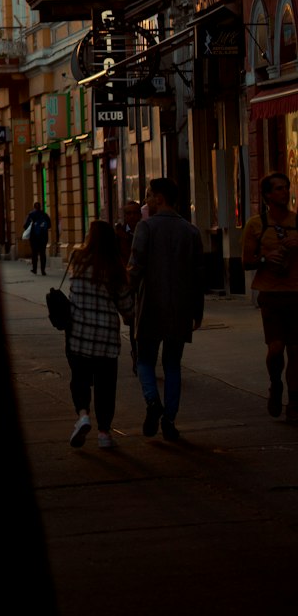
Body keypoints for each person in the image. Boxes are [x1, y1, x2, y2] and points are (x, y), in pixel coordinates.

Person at [129, 177, 204, 442]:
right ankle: (169, 419)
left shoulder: (145, 227)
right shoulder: (190, 231)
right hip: (180, 308)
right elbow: (198, 275)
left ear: (159, 198)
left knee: (145, 359)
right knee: (173, 363)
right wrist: (198, 310)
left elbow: (135, 266)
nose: (146, 200)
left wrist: (126, 296)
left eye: (148, 195)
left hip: (150, 305)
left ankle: (152, 401)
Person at [66, 220, 135, 450]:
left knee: (80, 379)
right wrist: (129, 316)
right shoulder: (115, 267)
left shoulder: (77, 259)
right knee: (106, 387)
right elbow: (126, 306)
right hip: (106, 338)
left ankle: (83, 415)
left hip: (79, 334)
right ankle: (104, 433)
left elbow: (73, 291)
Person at [241, 171, 298, 420]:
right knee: (276, 348)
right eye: (278, 188)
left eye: (285, 187)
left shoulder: (297, 222)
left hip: (296, 294)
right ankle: (276, 384)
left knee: (296, 351)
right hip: (271, 295)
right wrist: (265, 258)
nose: (284, 192)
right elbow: (246, 262)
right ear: (266, 195)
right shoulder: (256, 224)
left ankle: (294, 402)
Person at [24, 201, 52, 276]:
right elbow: (49, 225)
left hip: (34, 238)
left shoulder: (31, 215)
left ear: (34, 207)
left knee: (34, 253)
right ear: (40, 207)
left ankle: (34, 269)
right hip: (43, 237)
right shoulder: (45, 215)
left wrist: (32, 226)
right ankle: (43, 270)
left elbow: (25, 225)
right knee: (43, 253)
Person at [114, 200, 142, 267]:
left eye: (135, 213)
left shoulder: (145, 233)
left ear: (140, 215)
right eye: (129, 213)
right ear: (125, 216)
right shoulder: (118, 235)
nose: (132, 216)